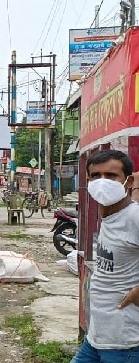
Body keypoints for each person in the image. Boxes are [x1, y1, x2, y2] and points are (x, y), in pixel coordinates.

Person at [71, 149, 139, 363]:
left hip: (125, 344)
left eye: (111, 176)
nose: (102, 182)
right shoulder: (108, 215)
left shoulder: (134, 217)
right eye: (95, 176)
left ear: (128, 182)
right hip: (96, 338)